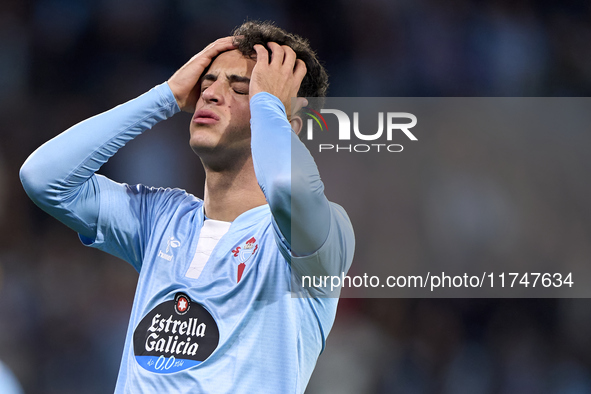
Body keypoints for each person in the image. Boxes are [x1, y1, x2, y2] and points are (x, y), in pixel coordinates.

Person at [20, 21, 354, 393]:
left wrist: (268, 103)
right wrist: (164, 96)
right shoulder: (161, 218)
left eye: (242, 88)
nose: (211, 94)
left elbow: (284, 187)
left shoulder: (318, 236)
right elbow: (44, 178)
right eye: (207, 82)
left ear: (285, 124)